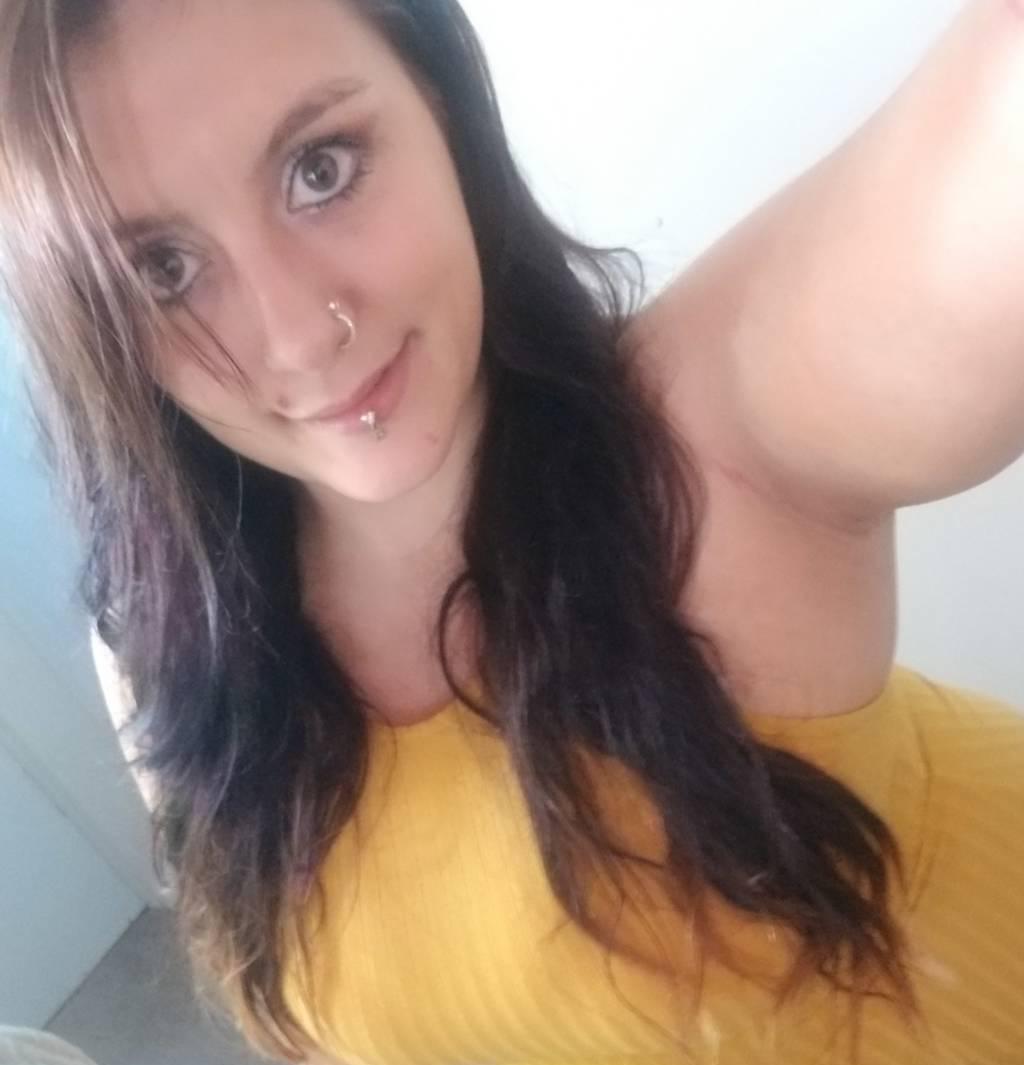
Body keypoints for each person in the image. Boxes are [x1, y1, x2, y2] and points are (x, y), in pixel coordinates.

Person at [0, 0, 1022, 1063]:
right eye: (162, 270)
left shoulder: (706, 444)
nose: (299, 337)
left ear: (437, 102)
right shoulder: (160, 644)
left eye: (320, 169)